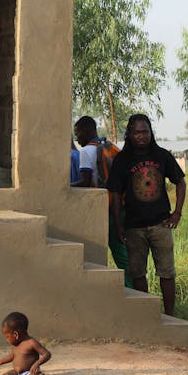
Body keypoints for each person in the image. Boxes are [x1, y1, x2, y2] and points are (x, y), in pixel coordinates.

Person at [107, 114, 186, 317]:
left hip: (161, 225)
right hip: (133, 227)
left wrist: (177, 213)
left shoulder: (162, 156)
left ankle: (170, 315)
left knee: (167, 273)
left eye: (145, 132)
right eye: (137, 132)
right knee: (137, 273)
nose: (141, 136)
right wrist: (117, 224)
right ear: (130, 135)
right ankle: (147, 315)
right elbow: (115, 194)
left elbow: (180, 182)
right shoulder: (122, 160)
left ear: (151, 133)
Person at [72, 115, 132, 288]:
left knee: (114, 251)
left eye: (78, 133)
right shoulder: (109, 146)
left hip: (105, 208)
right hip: (120, 205)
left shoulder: (85, 152)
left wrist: (64, 187)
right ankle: (134, 285)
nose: (77, 138)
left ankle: (130, 289)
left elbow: (84, 181)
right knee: (122, 250)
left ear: (87, 131)